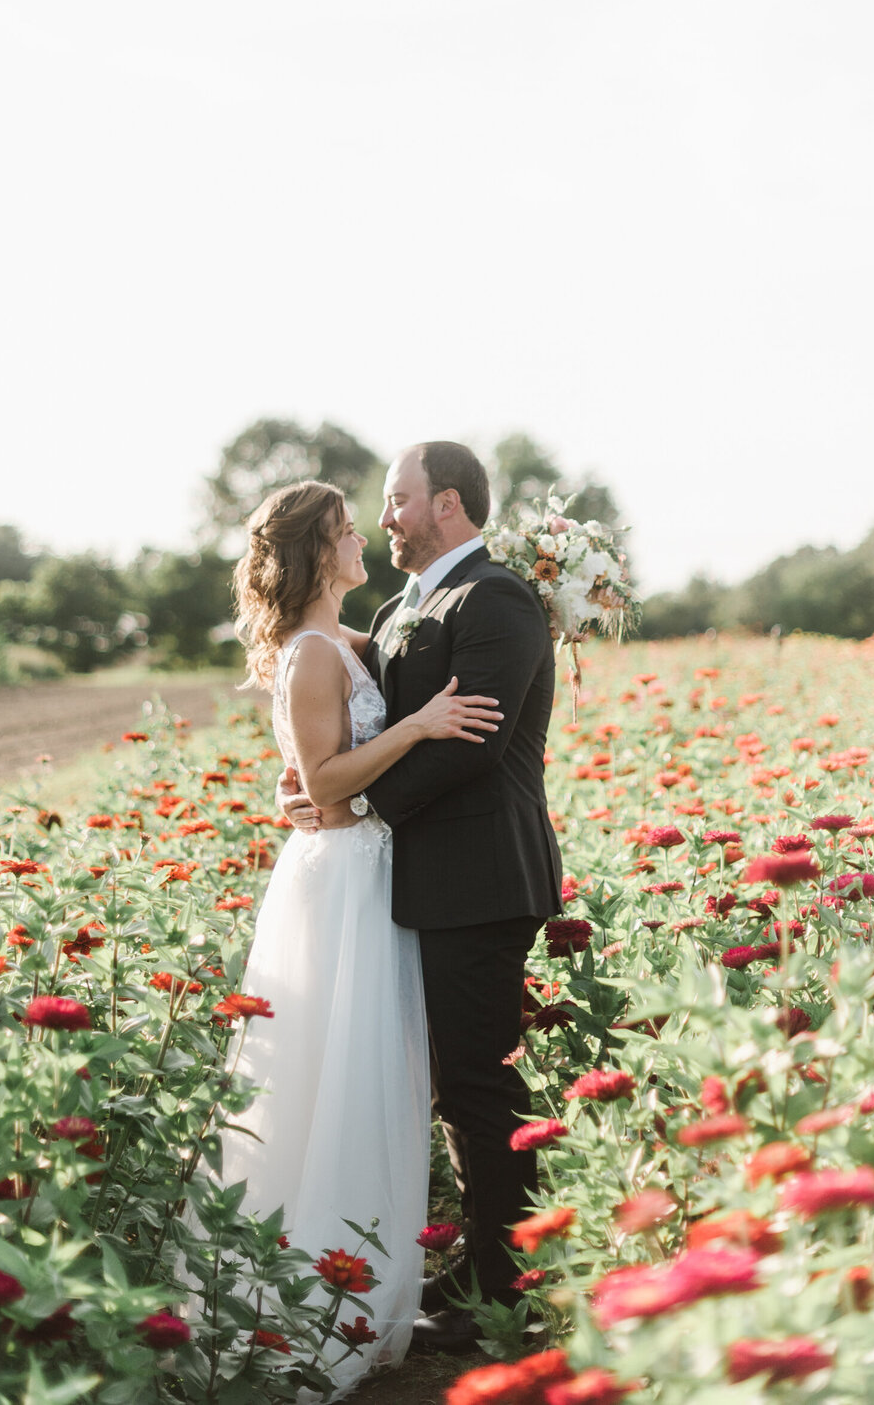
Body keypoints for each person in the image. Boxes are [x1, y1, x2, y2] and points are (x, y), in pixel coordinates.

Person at [207, 478, 504, 1393]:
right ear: (315, 553)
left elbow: (318, 770)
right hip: (339, 881)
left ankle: (361, 1289)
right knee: (331, 1079)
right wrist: (417, 726)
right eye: (346, 531)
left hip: (374, 874)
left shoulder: (355, 641)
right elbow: (327, 783)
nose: (363, 540)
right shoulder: (309, 654)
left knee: (376, 1077)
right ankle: (311, 1296)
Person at [283, 442, 564, 1352]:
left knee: (480, 1084)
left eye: (397, 500)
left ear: (446, 502)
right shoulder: (405, 606)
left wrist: (350, 801)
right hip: (421, 881)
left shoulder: (496, 598)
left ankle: (506, 1290)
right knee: (454, 1083)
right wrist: (312, 784)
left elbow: (470, 742)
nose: (385, 516)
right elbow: (344, 721)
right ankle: (483, 1260)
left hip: (483, 876)